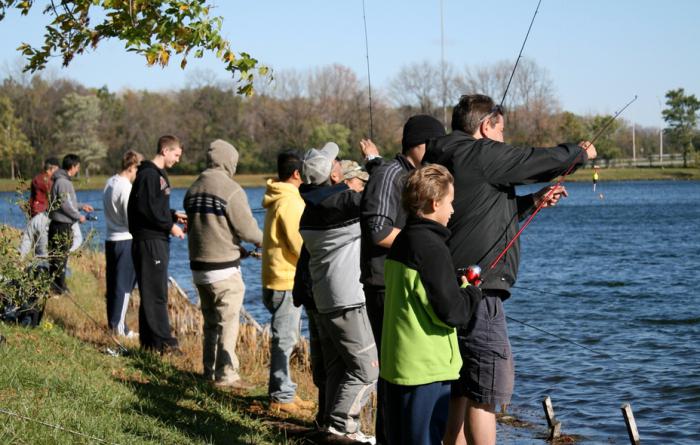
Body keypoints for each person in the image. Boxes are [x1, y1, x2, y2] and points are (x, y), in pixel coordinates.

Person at [424, 94, 597, 445]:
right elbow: (535, 160)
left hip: (449, 287)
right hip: (479, 293)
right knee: (485, 392)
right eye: (501, 130)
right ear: (486, 127)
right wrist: (579, 153)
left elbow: (473, 214)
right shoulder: (480, 153)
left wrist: (532, 201)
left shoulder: (442, 155)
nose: (504, 139)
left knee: (458, 389)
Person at [359, 115, 446, 444]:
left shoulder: (410, 176)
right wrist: (424, 243)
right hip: (384, 285)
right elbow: (378, 230)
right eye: (434, 146)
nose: (438, 153)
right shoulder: (389, 174)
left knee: (403, 372)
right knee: (394, 374)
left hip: (401, 284)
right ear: (419, 145)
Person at [381, 164, 483, 445]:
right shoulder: (431, 247)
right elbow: (452, 312)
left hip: (399, 365)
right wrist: (472, 292)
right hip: (424, 369)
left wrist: (454, 283)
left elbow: (420, 295)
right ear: (435, 202)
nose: (452, 210)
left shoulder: (404, 240)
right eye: (450, 202)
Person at [299, 142, 378, 443]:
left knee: (336, 369)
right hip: (348, 301)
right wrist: (374, 161)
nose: (339, 164)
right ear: (333, 174)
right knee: (367, 370)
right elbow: (380, 198)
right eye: (336, 162)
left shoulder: (312, 208)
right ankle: (341, 427)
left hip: (326, 300)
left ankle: (327, 430)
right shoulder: (341, 204)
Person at [184, 139, 262, 387]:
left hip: (198, 269)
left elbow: (209, 228)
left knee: (210, 324)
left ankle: (209, 372)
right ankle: (227, 375)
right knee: (228, 323)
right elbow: (248, 230)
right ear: (230, 161)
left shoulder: (193, 189)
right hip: (224, 271)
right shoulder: (231, 190)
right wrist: (268, 243)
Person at [261, 150, 315, 413]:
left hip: (275, 276)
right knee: (285, 339)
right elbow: (299, 244)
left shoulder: (277, 198)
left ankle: (285, 392)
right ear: (296, 174)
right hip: (285, 279)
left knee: (287, 336)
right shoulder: (291, 202)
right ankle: (281, 396)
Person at [128, 135, 187, 354]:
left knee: (153, 290)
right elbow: (145, 210)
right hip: (150, 240)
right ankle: (164, 343)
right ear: (165, 150)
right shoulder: (149, 175)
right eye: (176, 155)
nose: (177, 160)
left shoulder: (154, 175)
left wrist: (173, 215)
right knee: (156, 293)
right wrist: (169, 225)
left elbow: (154, 207)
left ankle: (149, 343)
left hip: (156, 238)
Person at [103, 150, 143, 337]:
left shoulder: (110, 182)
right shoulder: (126, 187)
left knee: (113, 286)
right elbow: (131, 220)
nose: (138, 175)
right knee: (124, 287)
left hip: (111, 239)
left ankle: (116, 325)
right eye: (138, 170)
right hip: (125, 240)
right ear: (132, 167)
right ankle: (119, 330)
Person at [47, 154, 94, 294]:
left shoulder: (62, 180)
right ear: (72, 167)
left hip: (59, 224)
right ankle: (59, 289)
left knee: (59, 257)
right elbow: (65, 205)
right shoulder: (63, 182)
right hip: (61, 226)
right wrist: (78, 216)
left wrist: (81, 206)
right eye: (78, 167)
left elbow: (69, 203)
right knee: (60, 258)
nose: (78, 170)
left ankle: (57, 287)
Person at [20, 157, 60, 259]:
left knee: (35, 248)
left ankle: (29, 267)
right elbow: (52, 192)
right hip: (40, 216)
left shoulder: (40, 179)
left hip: (38, 215)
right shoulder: (43, 180)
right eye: (57, 170)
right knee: (42, 252)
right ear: (52, 168)